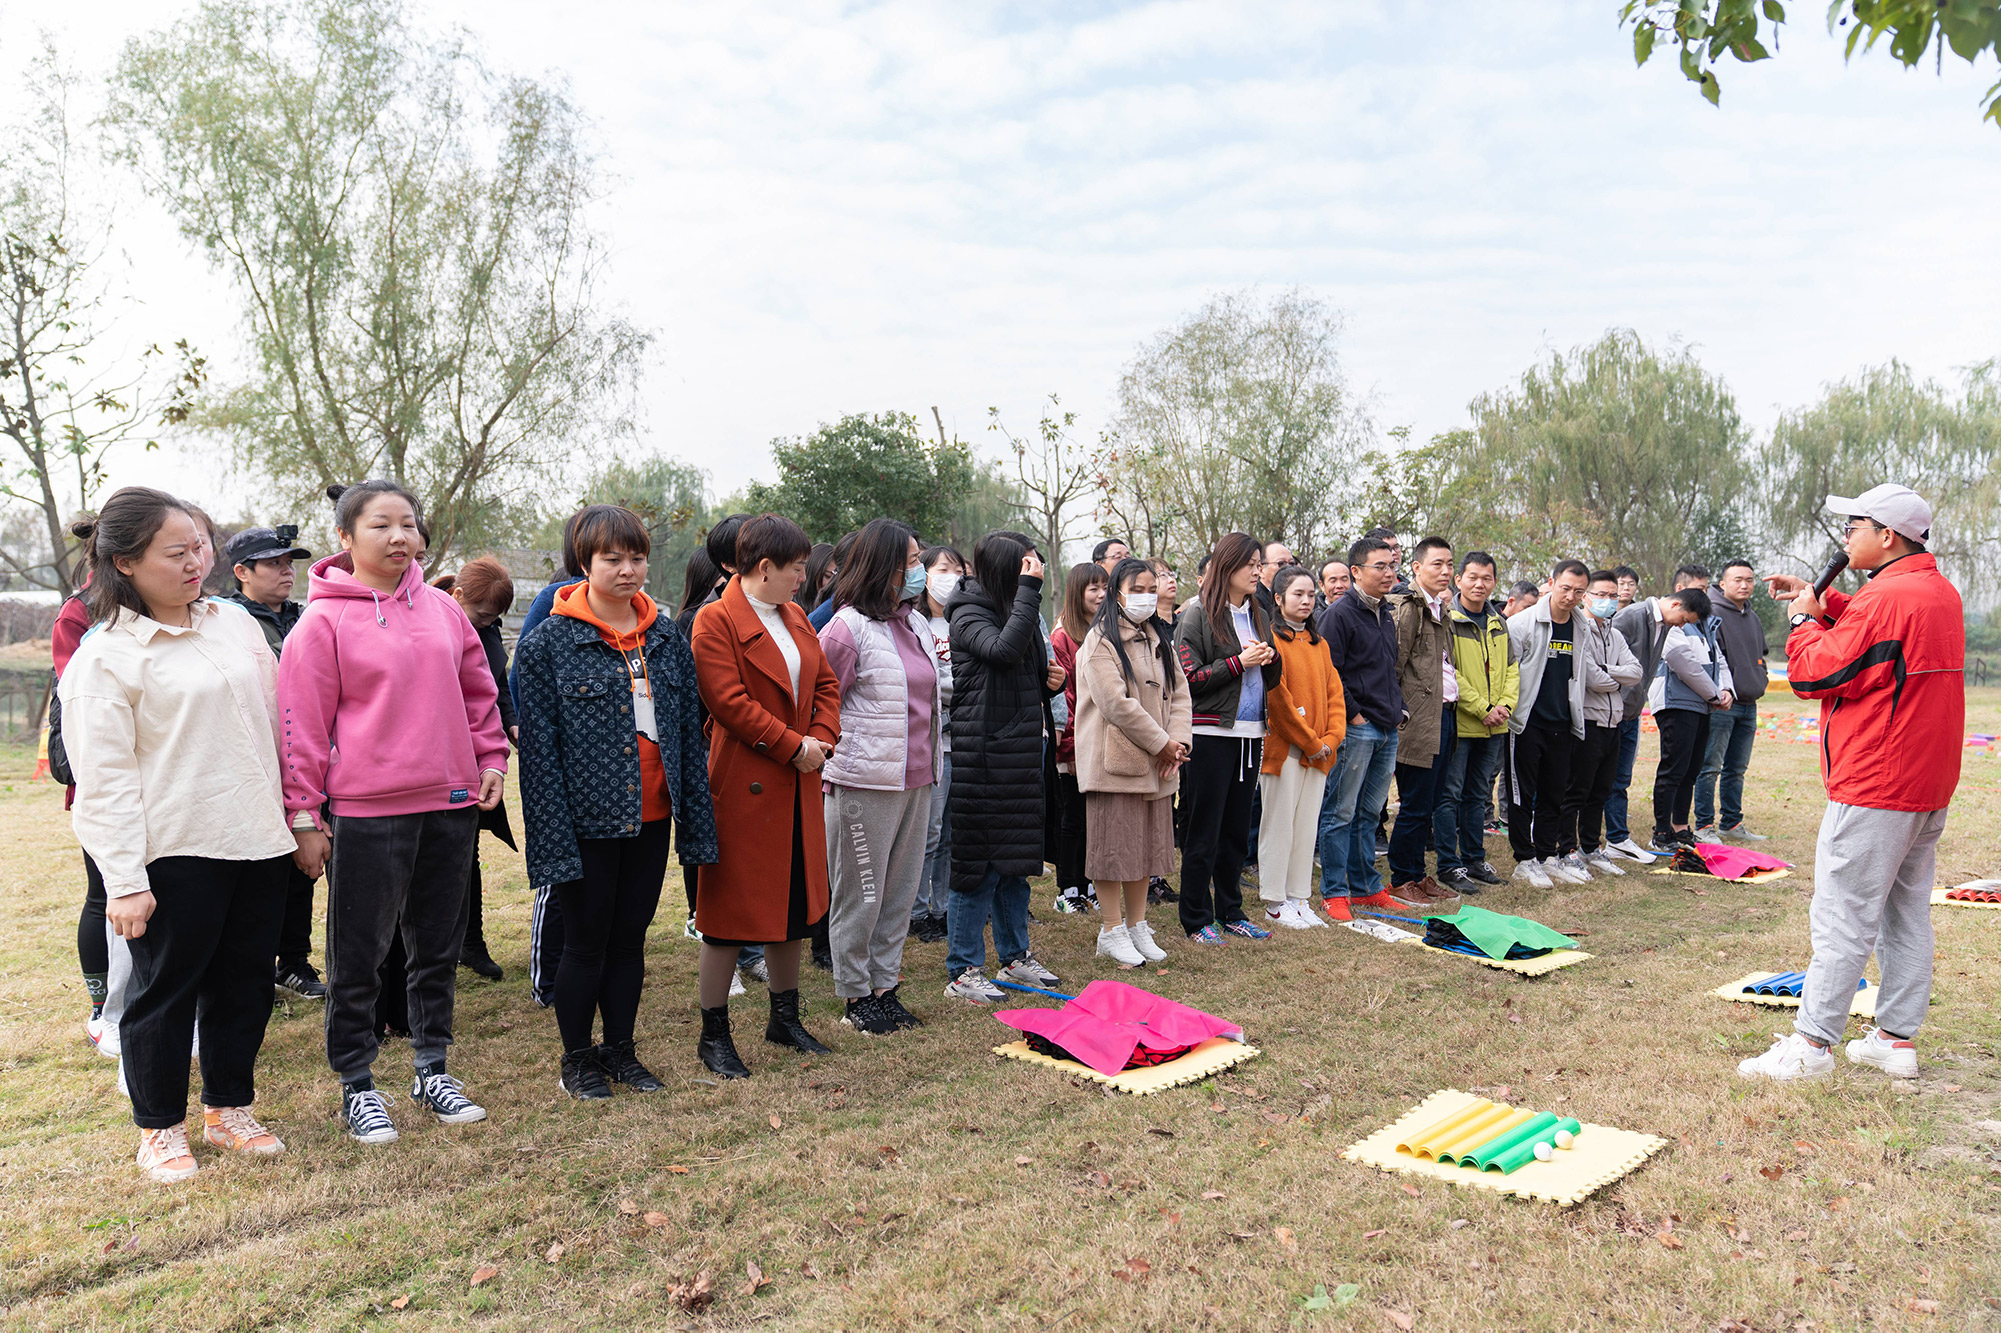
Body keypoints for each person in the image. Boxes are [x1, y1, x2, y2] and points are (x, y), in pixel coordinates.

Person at [59, 489, 296, 1182]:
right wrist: (124, 881)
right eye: (176, 552)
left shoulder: (233, 623)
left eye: (200, 546)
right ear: (125, 563)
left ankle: (228, 1107)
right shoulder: (104, 659)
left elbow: (279, 723)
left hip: (257, 836)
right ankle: (160, 1128)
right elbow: (103, 782)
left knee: (245, 984)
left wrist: (302, 817)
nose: (197, 562)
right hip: (174, 849)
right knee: (164, 993)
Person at [280, 480, 507, 1145]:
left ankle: (432, 1067)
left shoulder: (443, 610)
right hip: (366, 811)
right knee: (359, 954)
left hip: (449, 804)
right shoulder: (322, 622)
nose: (399, 536)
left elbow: (478, 692)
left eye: (408, 523)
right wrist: (304, 815)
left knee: (435, 948)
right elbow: (299, 726)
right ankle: (357, 1082)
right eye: (380, 524)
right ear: (345, 537)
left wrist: (490, 757)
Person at [1738, 484, 1962, 1082]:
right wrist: (1824, 601)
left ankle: (1811, 1046)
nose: (1845, 536)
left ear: (1886, 536)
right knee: (1905, 913)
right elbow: (1877, 639)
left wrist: (1801, 620)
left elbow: (1816, 673)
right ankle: (1894, 1039)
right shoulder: (1936, 590)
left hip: (1877, 781)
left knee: (1843, 915)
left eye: (1853, 526)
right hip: (1923, 782)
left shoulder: (1887, 598)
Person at [515, 506, 717, 1098]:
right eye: (613, 559)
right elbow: (540, 755)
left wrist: (696, 819)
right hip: (586, 821)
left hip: (653, 815)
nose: (628, 570)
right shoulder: (549, 643)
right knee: (585, 944)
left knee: (630, 940)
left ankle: (621, 1050)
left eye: (637, 558)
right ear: (585, 562)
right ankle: (577, 1060)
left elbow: (687, 732)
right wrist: (552, 836)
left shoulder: (666, 638)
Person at [688, 514, 840, 1077]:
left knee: (794, 903)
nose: (804, 577)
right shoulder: (714, 620)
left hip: (798, 777)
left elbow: (826, 685)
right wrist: (794, 747)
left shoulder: (794, 615)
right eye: (797, 568)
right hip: (746, 783)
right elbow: (728, 702)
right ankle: (714, 1034)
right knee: (728, 914)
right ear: (765, 567)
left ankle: (785, 1018)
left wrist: (819, 740)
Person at [817, 519, 941, 1036]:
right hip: (864, 782)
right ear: (883, 567)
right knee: (861, 894)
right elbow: (819, 703)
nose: (919, 569)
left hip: (917, 777)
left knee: (899, 893)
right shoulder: (846, 629)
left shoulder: (916, 624)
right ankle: (855, 994)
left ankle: (885, 987)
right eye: (911, 561)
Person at [944, 530, 1065, 998]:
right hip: (985, 755)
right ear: (1003, 567)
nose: (1033, 572)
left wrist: (1051, 681)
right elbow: (1001, 651)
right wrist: (1030, 593)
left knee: (1015, 864)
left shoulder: (1018, 607)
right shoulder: (968, 610)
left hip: (1021, 751)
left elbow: (1022, 670)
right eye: (1026, 565)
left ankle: (1015, 958)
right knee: (978, 866)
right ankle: (963, 970)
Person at [220, 525, 328, 1002]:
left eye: (289, 563)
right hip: (254, 761)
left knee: (306, 860)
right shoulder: (224, 623)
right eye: (273, 564)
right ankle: (253, 964)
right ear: (242, 572)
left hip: (308, 756)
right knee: (261, 870)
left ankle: (294, 960)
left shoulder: (306, 618)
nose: (287, 571)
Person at [1076, 558, 1192, 965]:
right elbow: (1116, 704)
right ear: (1117, 593)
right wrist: (1161, 744)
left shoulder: (1158, 638)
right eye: (1136, 589)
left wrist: (1178, 742)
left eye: (1150, 588)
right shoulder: (1100, 641)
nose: (1146, 596)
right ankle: (1111, 928)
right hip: (1115, 764)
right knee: (1113, 849)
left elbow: (1180, 694)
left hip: (1157, 762)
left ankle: (1137, 923)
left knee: (1144, 847)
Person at [1172, 532, 1279, 943]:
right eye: (1250, 564)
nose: (1257, 571)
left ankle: (1232, 910)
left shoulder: (1259, 613)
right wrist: (1239, 662)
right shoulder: (1197, 614)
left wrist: (1270, 658)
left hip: (1251, 734)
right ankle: (1196, 917)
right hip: (1209, 733)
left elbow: (1270, 679)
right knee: (1205, 829)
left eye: (1259, 564)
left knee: (1236, 830)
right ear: (1227, 567)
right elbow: (1189, 678)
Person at [434, 557, 519, 982]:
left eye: (493, 619)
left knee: (468, 850)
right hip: (438, 754)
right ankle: (435, 950)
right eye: (482, 614)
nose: (486, 623)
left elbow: (496, 687)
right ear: (458, 595)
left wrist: (511, 723)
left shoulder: (487, 631)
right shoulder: (432, 621)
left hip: (476, 756)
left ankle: (472, 942)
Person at [1256, 565, 1344, 928]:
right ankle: (1275, 901)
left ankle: (1298, 897)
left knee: (1306, 827)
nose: (1306, 601)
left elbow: (1335, 695)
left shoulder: (1319, 643)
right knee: (1279, 826)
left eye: (1310, 595)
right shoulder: (1271, 642)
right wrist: (1309, 742)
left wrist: (1329, 740)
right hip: (1285, 751)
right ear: (1278, 598)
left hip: (1319, 753)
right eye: (1298, 594)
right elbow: (1277, 699)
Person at [1315, 536, 1402, 904]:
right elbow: (1329, 673)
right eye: (1379, 566)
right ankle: (1335, 891)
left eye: (1391, 566)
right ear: (1356, 571)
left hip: (1386, 726)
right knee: (1340, 812)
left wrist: (1397, 711)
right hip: (1356, 728)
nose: (1388, 573)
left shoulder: (1385, 612)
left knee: (1369, 813)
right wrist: (1355, 716)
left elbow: (1388, 668)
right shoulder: (1338, 615)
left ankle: (1366, 887)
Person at [1383, 536, 1461, 911]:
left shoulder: (1440, 607)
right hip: (1417, 720)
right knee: (1414, 804)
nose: (1446, 571)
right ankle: (1402, 879)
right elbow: (1395, 668)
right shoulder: (1408, 607)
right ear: (1416, 567)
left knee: (1429, 803)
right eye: (1437, 564)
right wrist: (1400, 714)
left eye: (1450, 564)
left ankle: (1417, 874)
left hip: (1444, 715)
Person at [1504, 560, 1592, 889]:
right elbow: (1508, 672)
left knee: (1554, 793)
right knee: (1521, 794)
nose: (1570, 596)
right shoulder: (1523, 623)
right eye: (1565, 588)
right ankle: (1524, 859)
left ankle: (1546, 855)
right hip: (1526, 723)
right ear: (1551, 583)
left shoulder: (1581, 626)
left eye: (1578, 592)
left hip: (1563, 722)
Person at [1552, 570, 1643, 881]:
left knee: (1601, 790)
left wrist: (1608, 672)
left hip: (1613, 721)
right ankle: (1566, 849)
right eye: (1601, 595)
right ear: (1586, 597)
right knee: (1576, 790)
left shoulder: (1614, 634)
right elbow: (1591, 678)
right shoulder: (1579, 630)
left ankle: (1591, 847)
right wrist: (1615, 677)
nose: (1608, 600)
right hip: (1587, 720)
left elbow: (1636, 672)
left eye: (1613, 595)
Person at [1435, 551, 1515, 895]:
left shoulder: (1499, 622)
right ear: (1459, 580)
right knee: (1449, 795)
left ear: (1494, 582)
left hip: (1495, 725)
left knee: (1478, 795)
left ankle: (1474, 859)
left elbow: (1512, 668)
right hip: (1461, 723)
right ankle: (1448, 864)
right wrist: (1482, 708)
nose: (1479, 584)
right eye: (1472, 577)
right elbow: (1448, 672)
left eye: (1486, 578)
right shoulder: (1447, 620)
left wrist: (1505, 705)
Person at [1645, 586, 1733, 852]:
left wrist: (1726, 690)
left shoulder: (1706, 625)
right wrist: (1714, 694)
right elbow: (1684, 664)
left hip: (1702, 706)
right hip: (1677, 702)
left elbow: (1719, 661)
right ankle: (1662, 832)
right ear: (1679, 592)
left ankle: (1680, 828)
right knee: (1674, 768)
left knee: (1691, 770)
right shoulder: (1671, 624)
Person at [909, 544, 964, 944]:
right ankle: (915, 911)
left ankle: (942, 907)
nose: (952, 577)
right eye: (943, 569)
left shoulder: (965, 622)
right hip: (929, 746)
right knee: (927, 833)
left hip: (962, 742)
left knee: (949, 834)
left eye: (958, 569)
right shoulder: (915, 624)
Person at [1694, 559, 1770, 842]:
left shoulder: (1752, 616)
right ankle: (1704, 826)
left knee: (1737, 768)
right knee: (1710, 766)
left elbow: (1760, 654)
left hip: (1749, 704)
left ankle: (1732, 822)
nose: (1744, 585)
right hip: (1723, 705)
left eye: (1749, 580)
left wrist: (1760, 677)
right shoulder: (1711, 614)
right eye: (1737, 580)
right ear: (1722, 583)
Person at [1049, 562, 1108, 915]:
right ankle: (1067, 888)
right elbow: (1065, 696)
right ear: (1077, 592)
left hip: (1102, 744)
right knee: (1071, 818)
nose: (1101, 595)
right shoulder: (1063, 637)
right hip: (1074, 746)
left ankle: (1088, 885)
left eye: (1105, 587)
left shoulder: (1104, 632)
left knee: (1093, 820)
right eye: (1093, 588)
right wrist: (1070, 748)